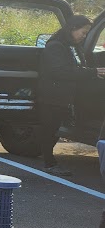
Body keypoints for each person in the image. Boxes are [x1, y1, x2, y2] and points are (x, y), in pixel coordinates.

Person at [37, 14, 103, 177]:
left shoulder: (73, 47)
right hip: (52, 96)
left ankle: (49, 161)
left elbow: (79, 68)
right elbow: (60, 71)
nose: (84, 36)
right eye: (83, 32)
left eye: (87, 33)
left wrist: (92, 73)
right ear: (73, 28)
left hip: (66, 97)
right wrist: (92, 72)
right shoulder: (55, 46)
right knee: (50, 129)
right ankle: (49, 162)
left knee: (54, 129)